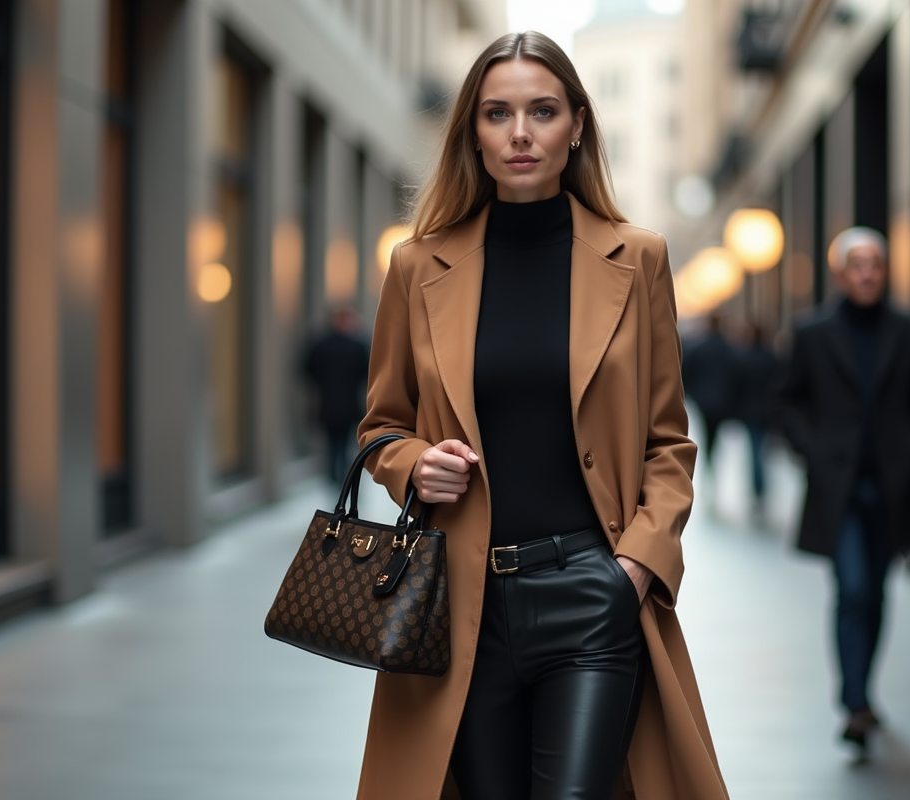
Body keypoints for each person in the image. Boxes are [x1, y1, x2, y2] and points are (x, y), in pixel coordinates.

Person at [356, 31, 728, 800]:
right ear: (474, 133)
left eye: (543, 110)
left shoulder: (639, 258)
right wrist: (410, 464)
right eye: (498, 113)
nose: (521, 133)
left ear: (578, 126)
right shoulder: (418, 265)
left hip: (591, 597)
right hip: (458, 607)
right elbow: (381, 427)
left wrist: (633, 569)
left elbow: (669, 443)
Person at [779, 227, 910, 753]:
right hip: (839, 489)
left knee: (875, 591)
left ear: (885, 270)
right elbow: (786, 400)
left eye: (875, 263)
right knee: (851, 588)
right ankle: (853, 703)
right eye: (858, 264)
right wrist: (812, 449)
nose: (868, 272)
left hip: (892, 486)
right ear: (840, 273)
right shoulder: (813, 332)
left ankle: (863, 694)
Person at [303, 306, 370, 484]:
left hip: (327, 404)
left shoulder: (320, 344)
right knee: (346, 442)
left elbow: (307, 369)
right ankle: (343, 477)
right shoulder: (357, 345)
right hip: (349, 404)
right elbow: (368, 372)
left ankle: (335, 476)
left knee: (333, 444)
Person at [681, 314, 740, 470]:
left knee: (708, 431)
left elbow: (689, 372)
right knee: (715, 432)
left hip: (703, 399)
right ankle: (711, 455)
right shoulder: (729, 349)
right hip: (721, 399)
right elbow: (735, 375)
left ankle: (709, 456)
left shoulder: (699, 348)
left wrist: (690, 392)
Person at [734, 323, 780, 519]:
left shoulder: (745, 358)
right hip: (767, 413)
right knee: (761, 452)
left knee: (755, 453)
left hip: (751, 413)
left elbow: (738, 386)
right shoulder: (771, 358)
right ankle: (761, 491)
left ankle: (758, 490)